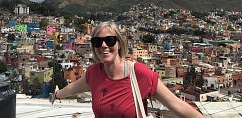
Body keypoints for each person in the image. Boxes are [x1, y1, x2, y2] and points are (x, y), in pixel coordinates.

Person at [51, 21, 204, 118]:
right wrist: (57, 94)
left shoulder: (139, 73)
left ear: (119, 44)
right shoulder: (94, 73)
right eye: (98, 42)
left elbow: (176, 104)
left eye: (109, 40)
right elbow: (72, 88)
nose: (103, 45)